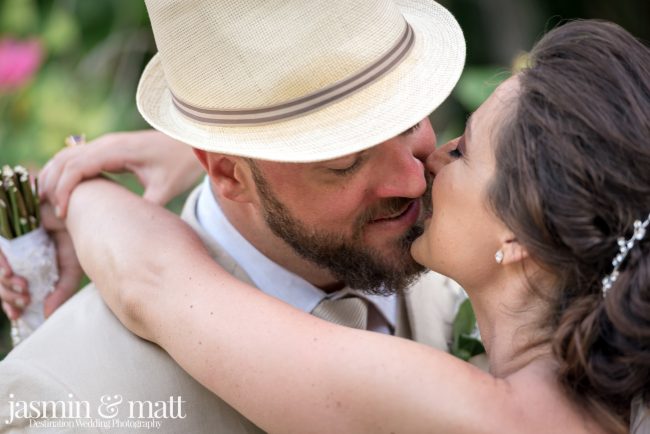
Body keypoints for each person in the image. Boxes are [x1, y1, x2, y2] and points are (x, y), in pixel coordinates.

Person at [59, 20, 650, 433]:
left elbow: (155, 282)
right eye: (344, 158)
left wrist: (76, 194)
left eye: (464, 152)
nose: (424, 171)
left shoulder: (490, 413)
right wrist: (231, 145)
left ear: (521, 234)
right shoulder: (602, 383)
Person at [0, 0, 472, 432]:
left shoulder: (499, 251)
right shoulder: (67, 401)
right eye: (344, 161)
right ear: (228, 173)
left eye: (411, 118)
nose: (412, 182)